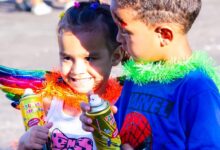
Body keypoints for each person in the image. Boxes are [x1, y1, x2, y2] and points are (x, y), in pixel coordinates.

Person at [80, 0, 220, 149]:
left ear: (164, 35)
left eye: (125, 31)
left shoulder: (198, 90)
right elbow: (121, 132)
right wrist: (102, 121)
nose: (118, 39)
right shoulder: (137, 79)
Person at [17, 1, 125, 149]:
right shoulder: (49, 103)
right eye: (67, 58)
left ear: (116, 56)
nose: (76, 69)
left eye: (89, 58)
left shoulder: (122, 105)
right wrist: (25, 143)